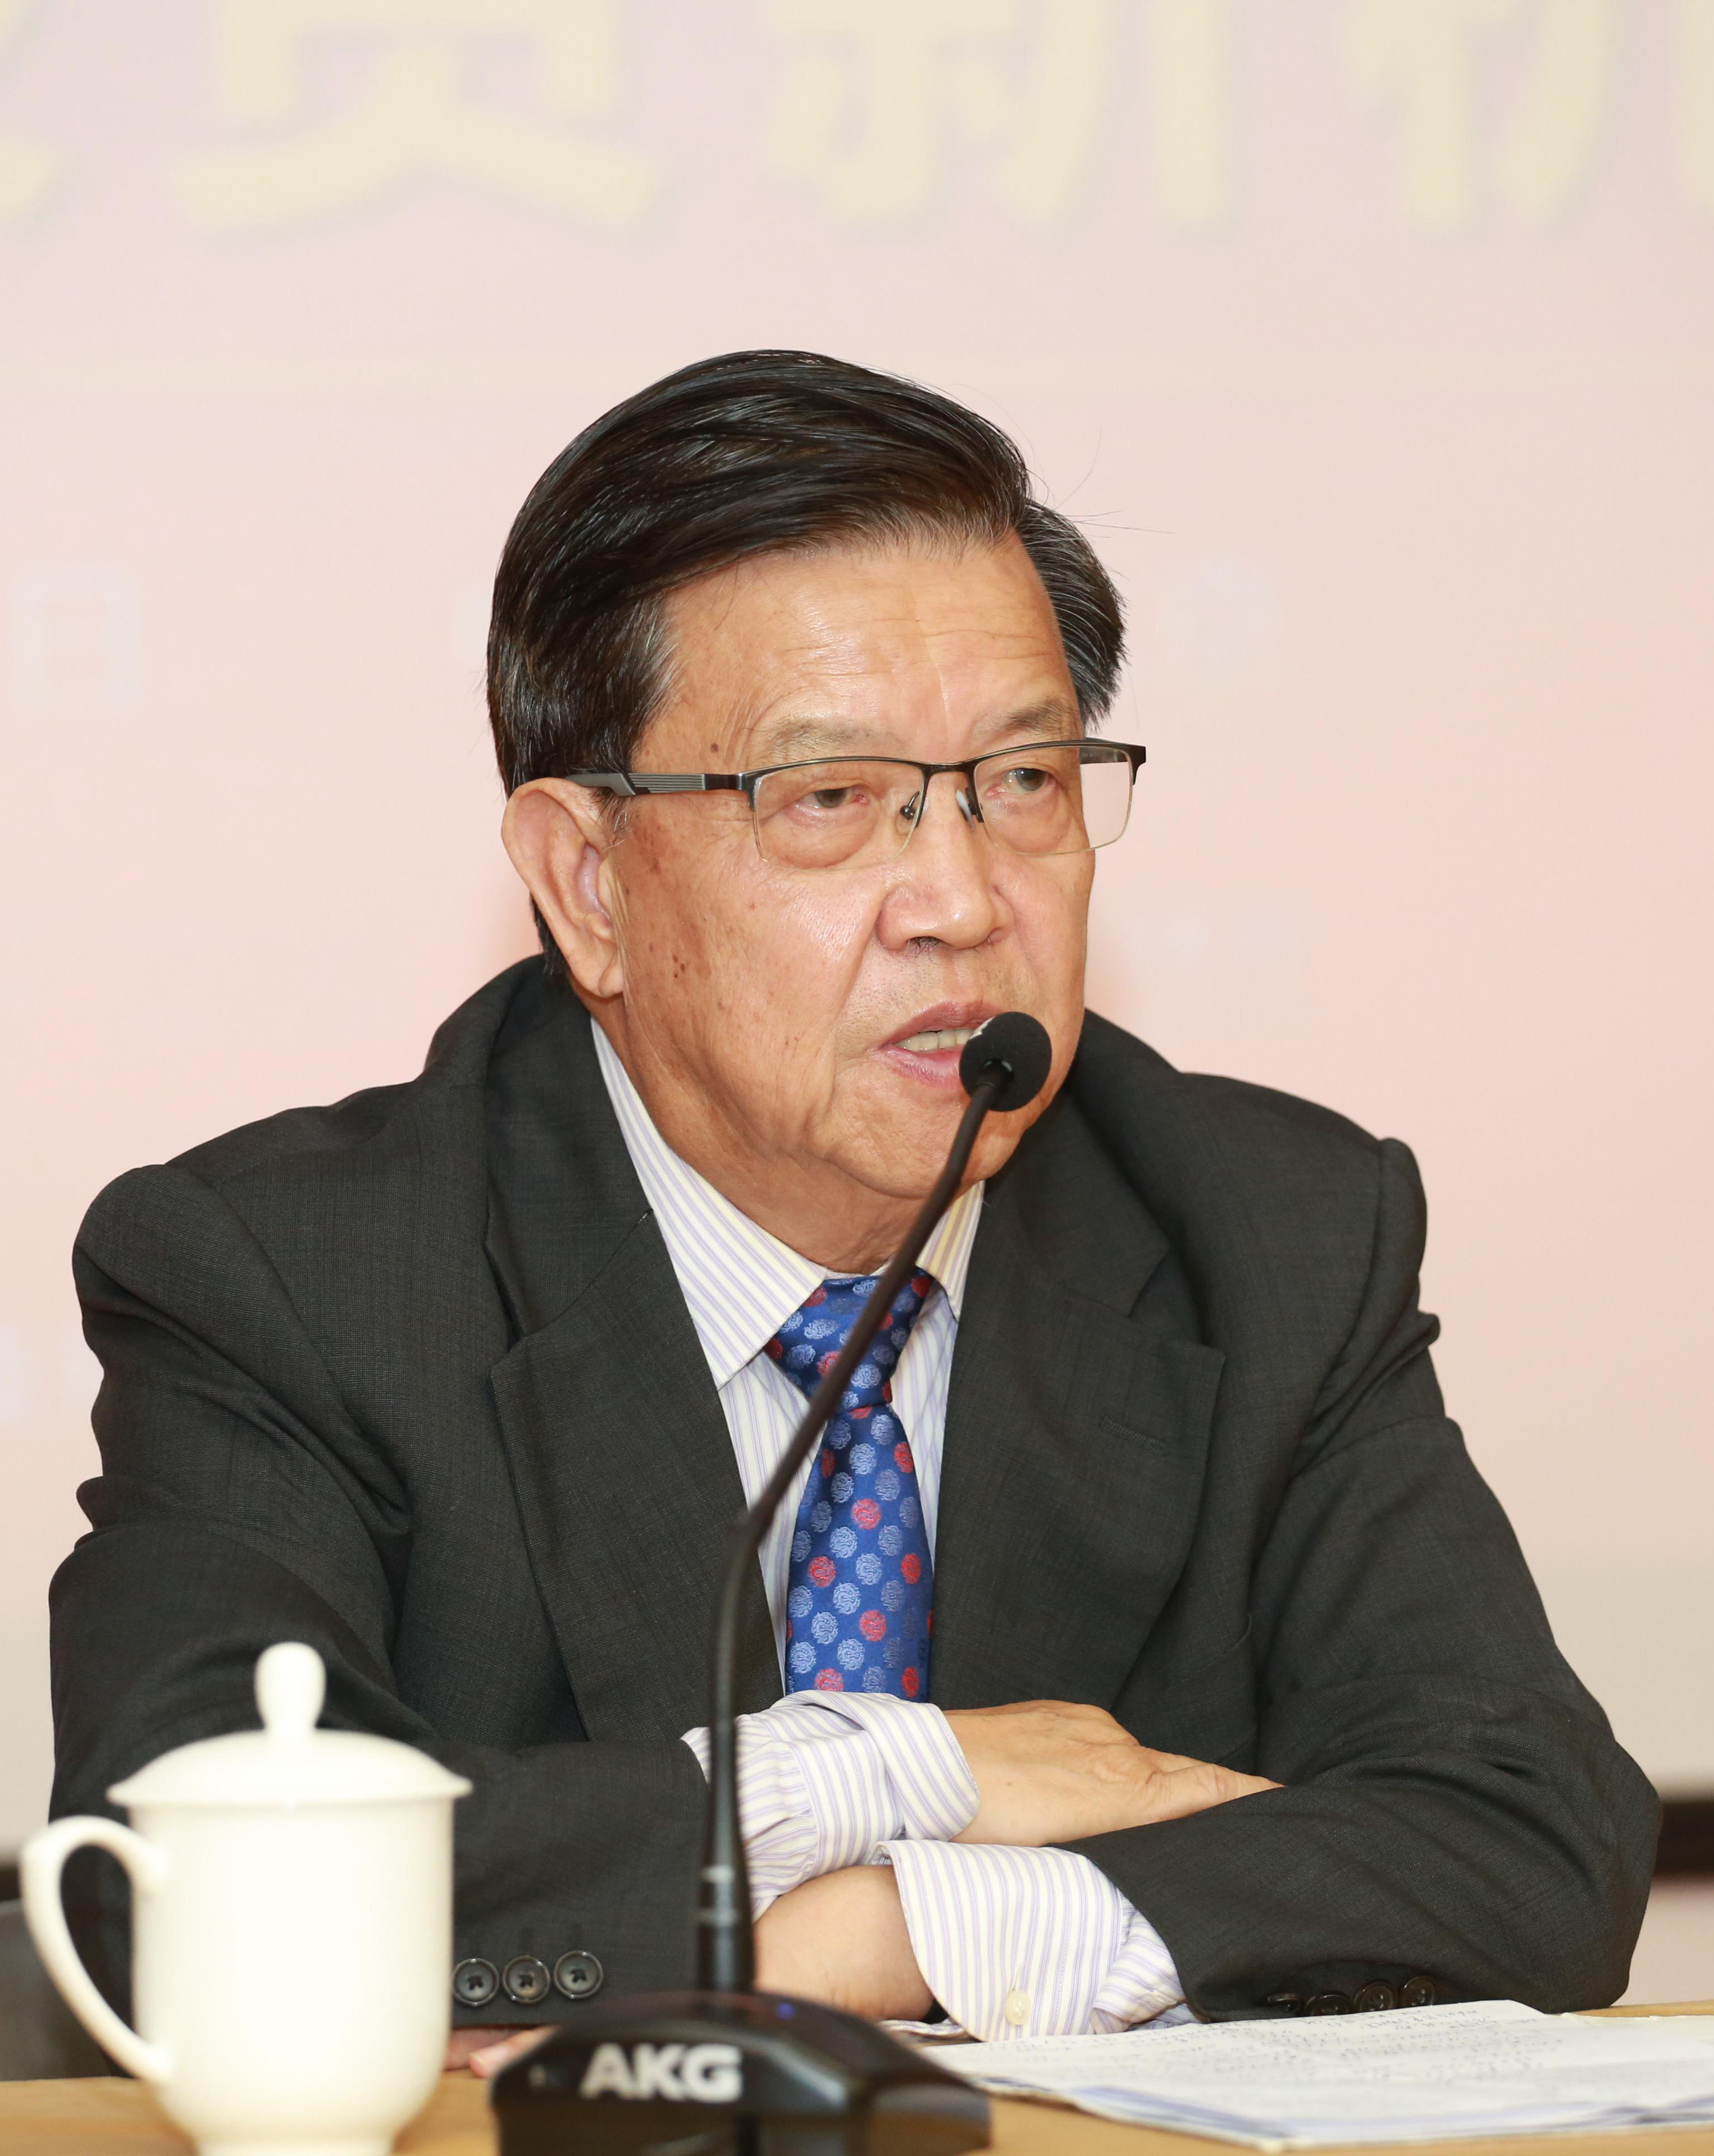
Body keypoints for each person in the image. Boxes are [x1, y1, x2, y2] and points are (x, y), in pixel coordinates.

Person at [52, 351, 1656, 2068]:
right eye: (828, 800)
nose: (961, 899)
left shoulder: (1268, 1232)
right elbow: (178, 1870)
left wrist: (892, 1934)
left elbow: (1529, 1839)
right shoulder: (291, 1276)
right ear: (588, 883)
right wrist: (904, 1772)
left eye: (1023, 782)